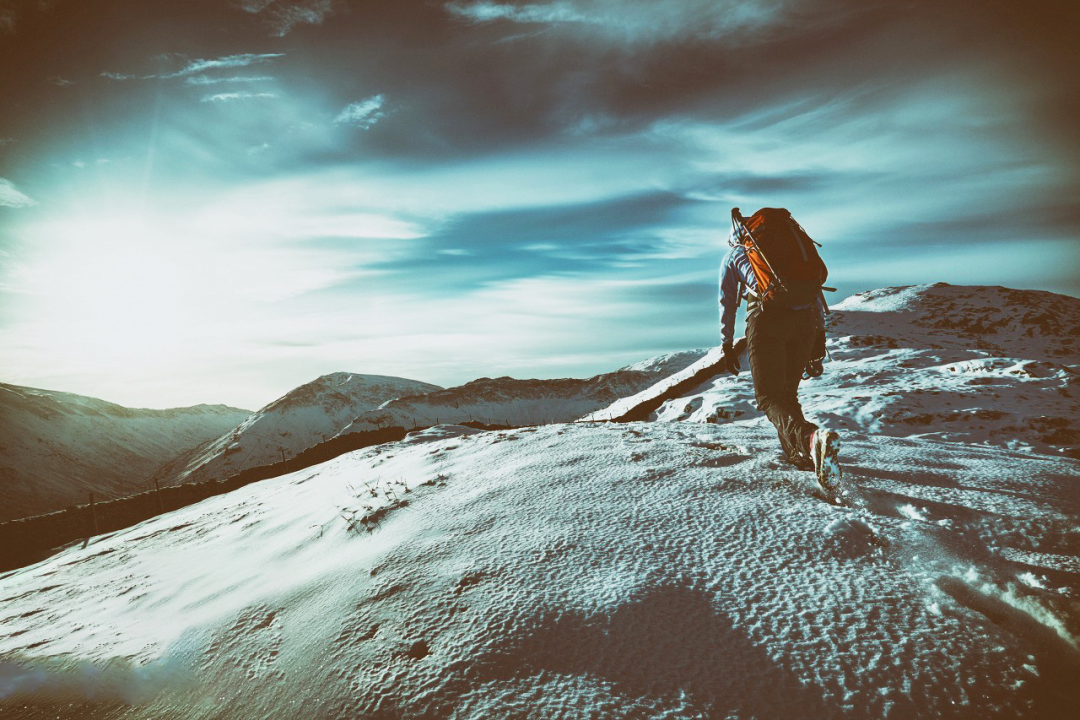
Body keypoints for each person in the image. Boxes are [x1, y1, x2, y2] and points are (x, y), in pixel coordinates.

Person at [717, 215, 842, 496]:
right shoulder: (788, 255)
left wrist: (727, 343)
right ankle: (801, 455)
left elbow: (727, 301)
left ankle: (810, 439)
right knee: (787, 393)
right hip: (805, 323)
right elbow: (815, 296)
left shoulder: (735, 255)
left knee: (769, 397)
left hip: (766, 319)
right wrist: (818, 335)